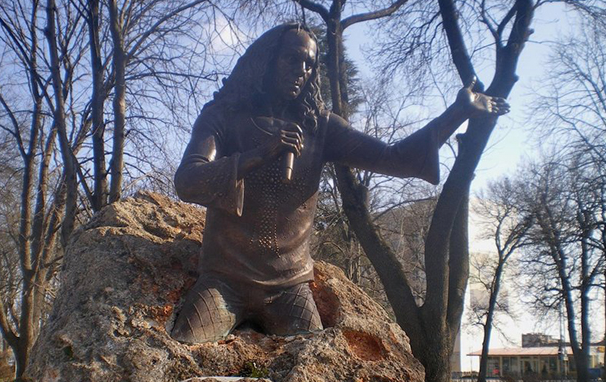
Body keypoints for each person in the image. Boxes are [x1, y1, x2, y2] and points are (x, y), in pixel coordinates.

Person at [172, 23, 509, 344]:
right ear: (267, 59)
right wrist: (259, 155)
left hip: (288, 287)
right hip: (224, 280)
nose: (301, 70)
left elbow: (395, 158)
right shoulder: (223, 116)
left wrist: (457, 113)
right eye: (292, 58)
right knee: (185, 346)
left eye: (309, 64)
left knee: (311, 364)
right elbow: (188, 181)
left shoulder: (320, 127)